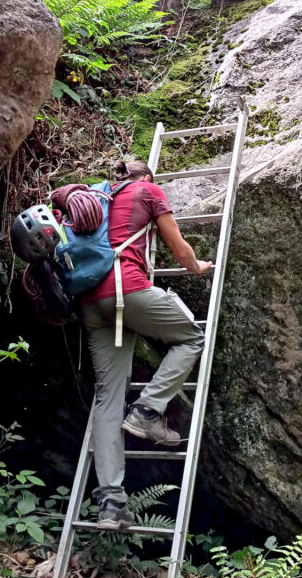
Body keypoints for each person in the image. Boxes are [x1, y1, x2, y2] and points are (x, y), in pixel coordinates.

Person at [80, 158, 212, 530]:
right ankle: (148, 411)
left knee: (108, 396)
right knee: (190, 337)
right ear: (148, 177)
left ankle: (110, 502)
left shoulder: (96, 197)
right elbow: (180, 249)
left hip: (91, 302)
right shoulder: (149, 191)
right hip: (130, 290)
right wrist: (197, 267)